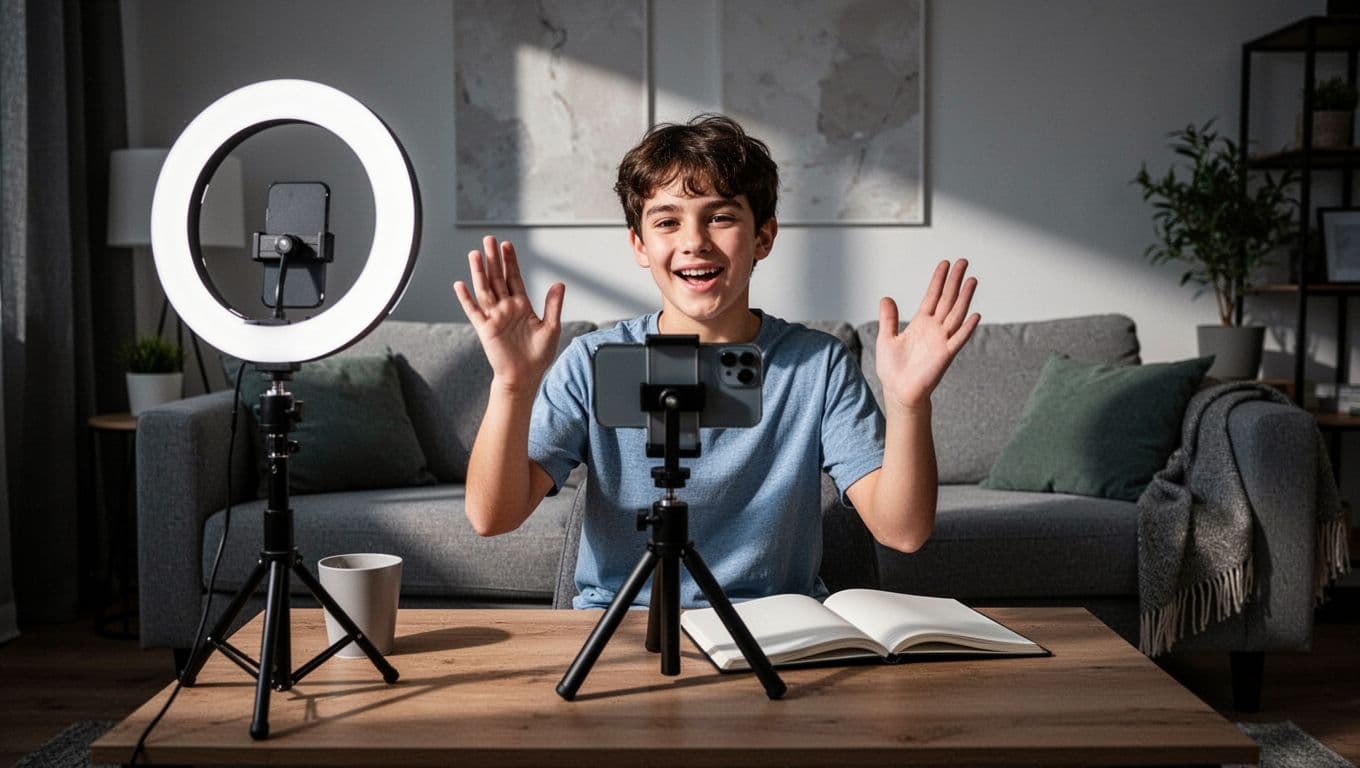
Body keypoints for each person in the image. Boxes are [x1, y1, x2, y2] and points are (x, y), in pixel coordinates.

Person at [453, 114, 979, 609]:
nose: (694, 242)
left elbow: (903, 532)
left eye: (721, 217)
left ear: (763, 237)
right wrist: (512, 385)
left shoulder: (815, 366)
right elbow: (491, 517)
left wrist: (910, 404)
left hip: (773, 624)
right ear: (639, 244)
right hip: (622, 622)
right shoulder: (592, 362)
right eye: (667, 221)